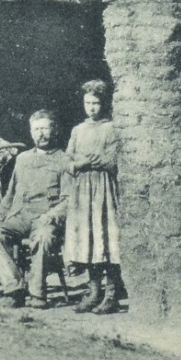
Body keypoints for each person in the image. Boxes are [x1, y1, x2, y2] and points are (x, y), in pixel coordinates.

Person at [0, 110, 70, 309]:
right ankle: (15, 288)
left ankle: (37, 293)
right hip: (20, 216)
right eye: (36, 129)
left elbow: (69, 199)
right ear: (31, 132)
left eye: (45, 128)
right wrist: (0, 216)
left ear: (54, 130)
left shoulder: (65, 159)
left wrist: (53, 215)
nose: (41, 134)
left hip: (45, 218)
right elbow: (11, 193)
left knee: (44, 238)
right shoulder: (23, 159)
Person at [64, 80, 126, 314]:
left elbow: (113, 159)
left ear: (104, 104)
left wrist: (95, 161)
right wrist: (77, 164)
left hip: (103, 190)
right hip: (82, 193)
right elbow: (67, 160)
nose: (91, 108)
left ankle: (111, 294)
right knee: (88, 240)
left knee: (105, 239)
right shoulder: (77, 130)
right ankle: (93, 292)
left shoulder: (111, 128)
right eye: (87, 103)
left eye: (96, 103)